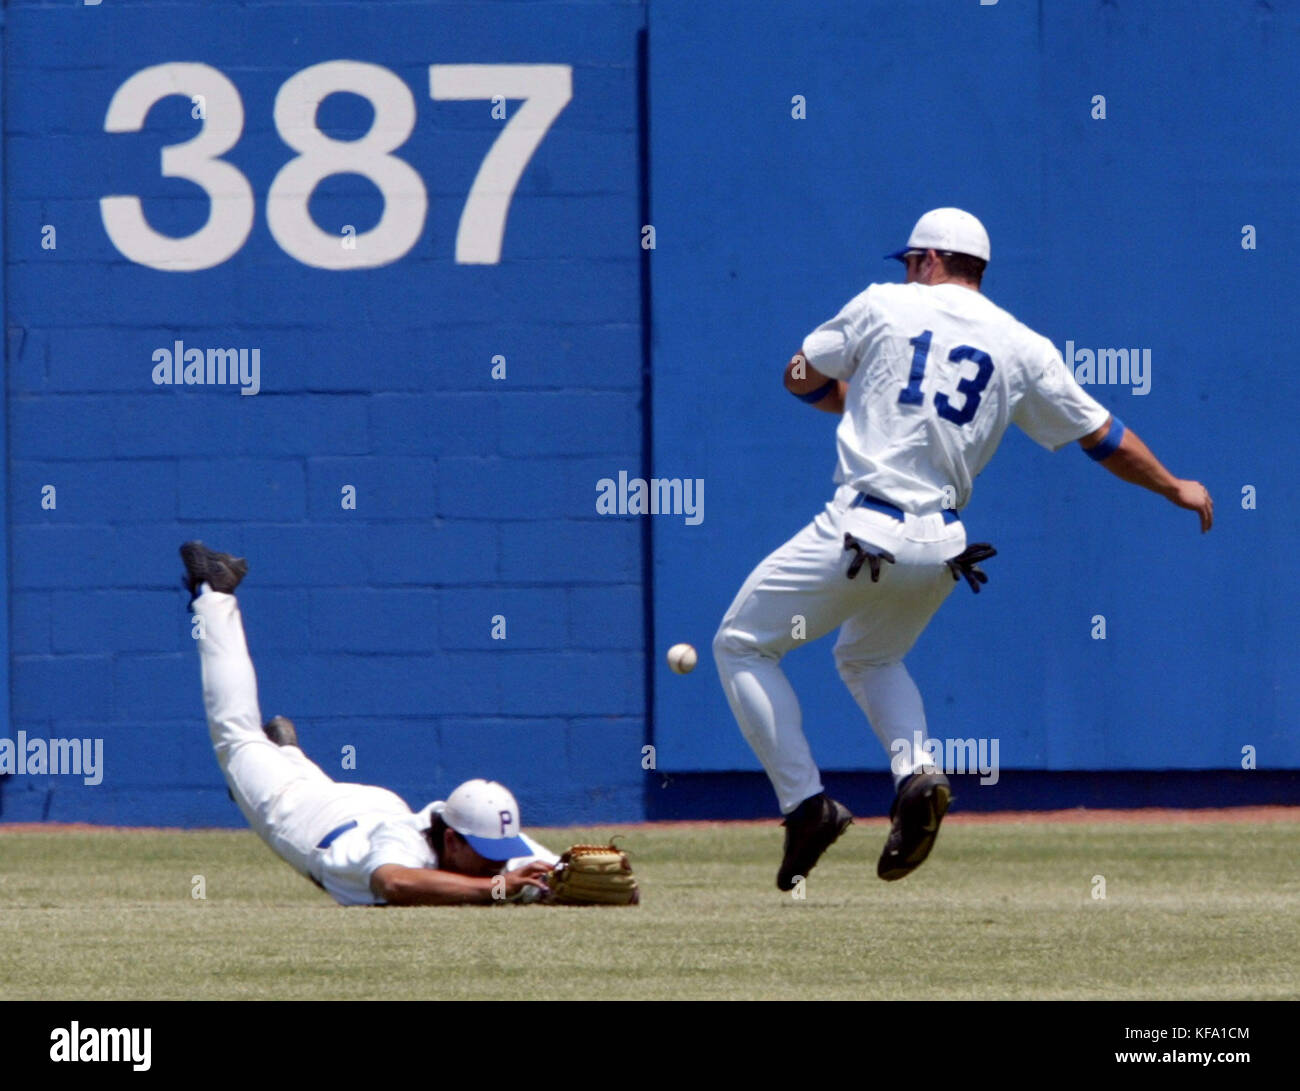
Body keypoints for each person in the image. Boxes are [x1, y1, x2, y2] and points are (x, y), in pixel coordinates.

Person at [712, 208, 1213, 889]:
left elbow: (799, 374)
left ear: (927, 260)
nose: (907, 271)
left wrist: (851, 397)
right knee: (872, 654)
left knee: (741, 643)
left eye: (910, 260)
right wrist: (1174, 486)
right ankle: (916, 774)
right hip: (940, 547)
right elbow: (1105, 437)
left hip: (864, 527)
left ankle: (806, 805)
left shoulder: (883, 304)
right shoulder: (1021, 344)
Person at [180, 540, 558, 906]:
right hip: (305, 819)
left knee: (294, 778)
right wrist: (496, 887)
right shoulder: (403, 843)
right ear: (452, 843)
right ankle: (215, 593)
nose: (499, 864)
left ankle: (286, 755)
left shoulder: (482, 834)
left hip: (370, 809)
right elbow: (393, 882)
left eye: (502, 853)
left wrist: (598, 877)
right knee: (237, 737)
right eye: (489, 855)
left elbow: (562, 871)